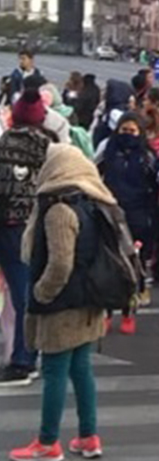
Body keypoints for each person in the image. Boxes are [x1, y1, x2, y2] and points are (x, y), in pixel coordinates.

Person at [8, 144, 131, 461]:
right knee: (81, 370)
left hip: (63, 304)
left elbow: (60, 263)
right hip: (89, 300)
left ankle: (48, 442)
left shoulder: (59, 210)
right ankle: (88, 437)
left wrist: (41, 292)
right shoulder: (91, 204)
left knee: (54, 370)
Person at [0, 91, 55, 387]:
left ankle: (23, 360)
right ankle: (26, 355)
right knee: (25, 294)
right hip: (31, 226)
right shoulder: (49, 147)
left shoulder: (4, 142)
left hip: (7, 225)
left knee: (19, 295)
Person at [97, 112, 159, 335]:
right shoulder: (108, 149)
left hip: (138, 216)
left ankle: (128, 312)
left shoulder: (147, 155)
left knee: (133, 267)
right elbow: (94, 172)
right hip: (111, 213)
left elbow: (158, 182)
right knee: (108, 263)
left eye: (132, 131)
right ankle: (105, 313)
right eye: (124, 130)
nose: (127, 135)